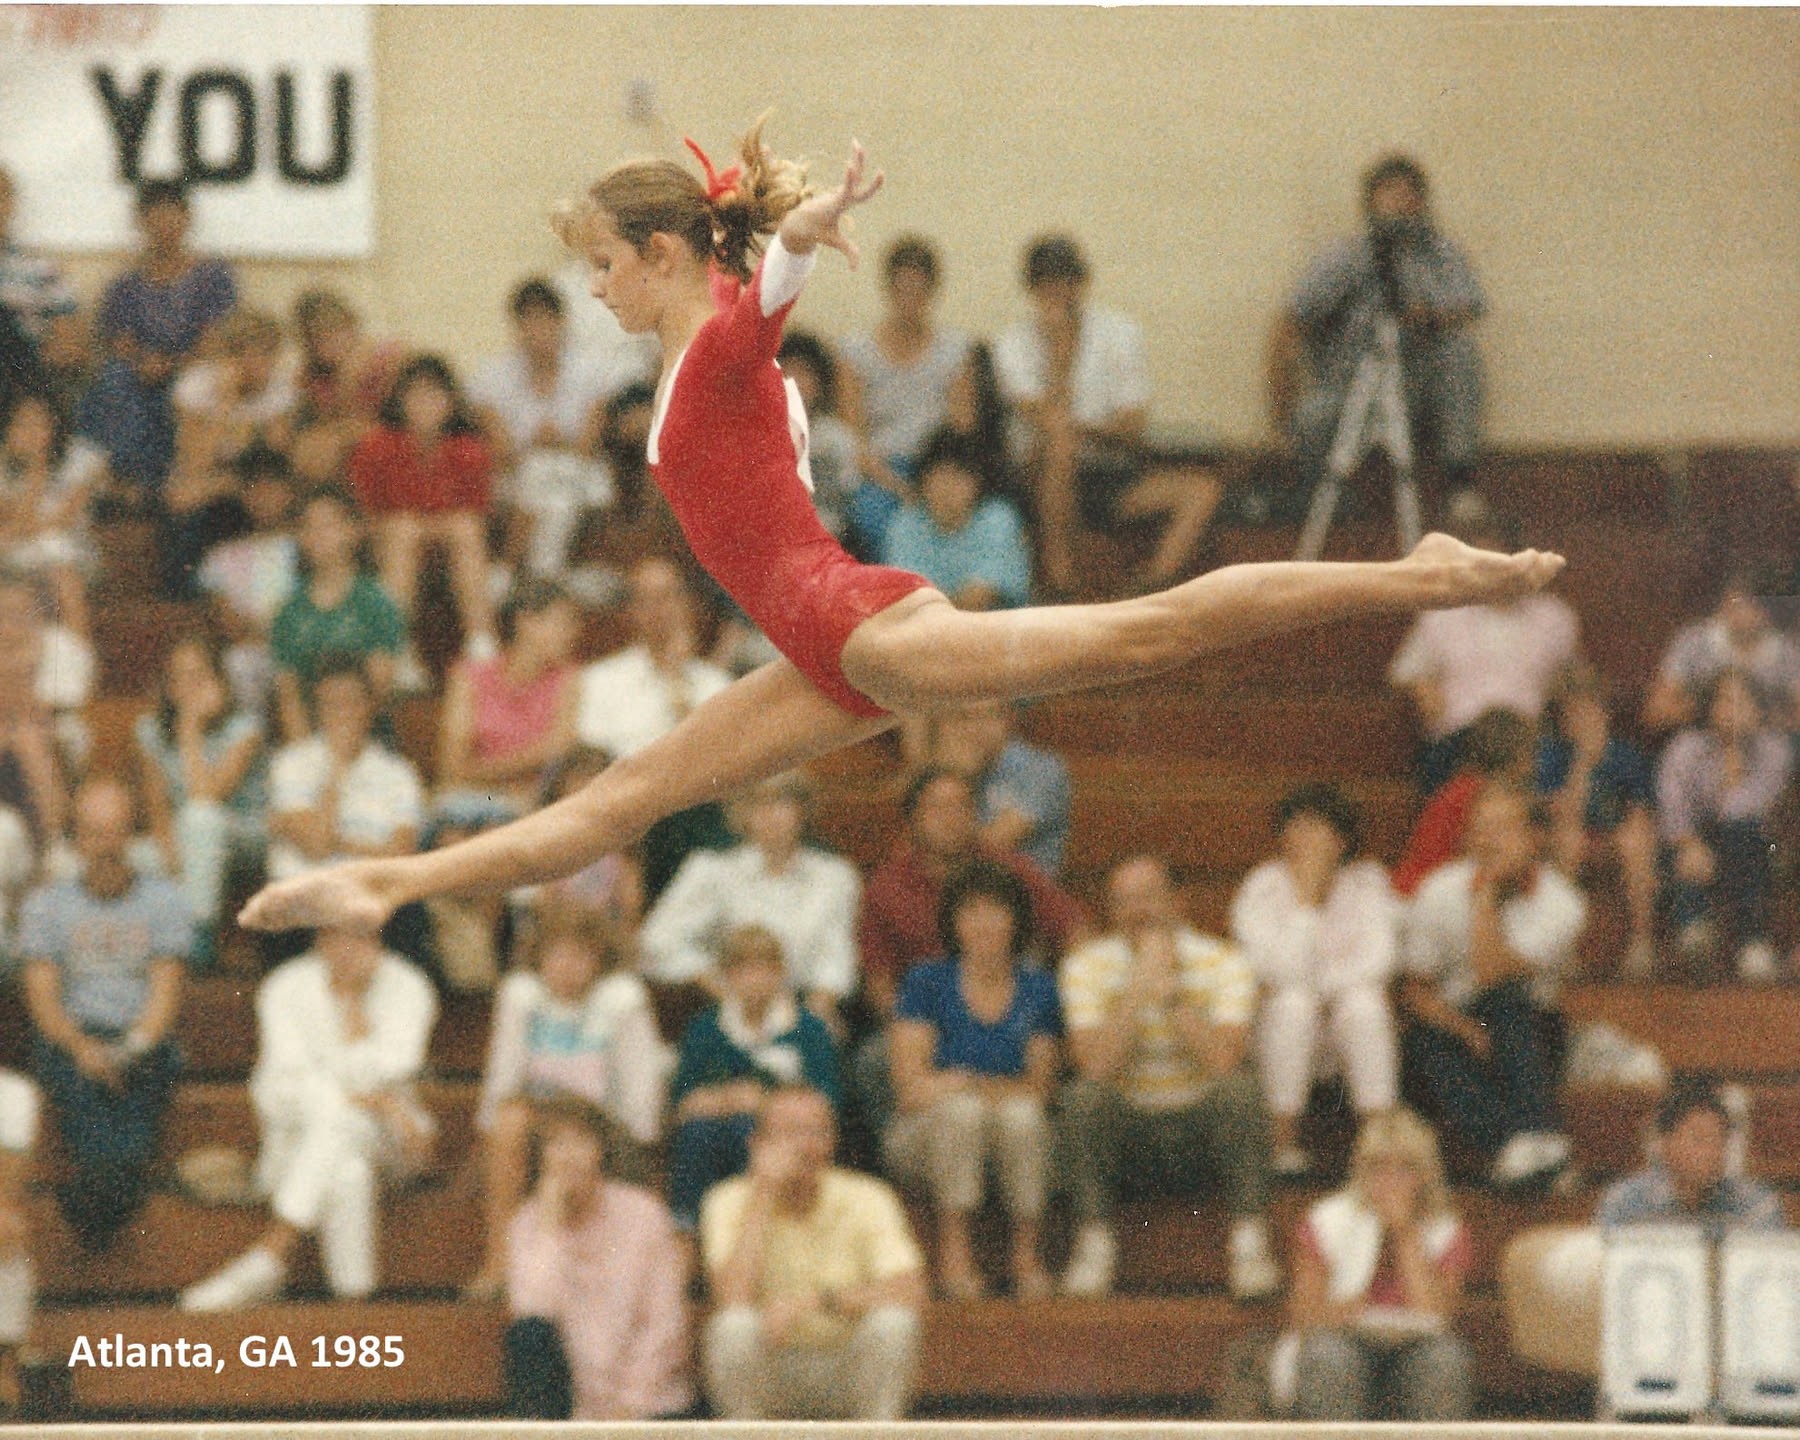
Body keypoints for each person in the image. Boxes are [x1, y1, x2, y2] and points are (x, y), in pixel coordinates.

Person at [233, 122, 1565, 974]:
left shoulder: (718, 346)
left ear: (662, 254)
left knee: (1150, 631)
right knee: (614, 806)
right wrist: (777, 250)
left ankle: (1421, 573)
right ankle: (384, 885)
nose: (593, 288)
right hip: (825, 651)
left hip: (860, 624)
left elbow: (757, 310)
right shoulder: (694, 355)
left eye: (602, 264)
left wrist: (799, 242)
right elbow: (747, 321)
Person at [180, 923, 437, 1310]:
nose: (349, 947)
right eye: (338, 935)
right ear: (320, 938)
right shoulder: (285, 986)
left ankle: (270, 1254)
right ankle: (354, 1307)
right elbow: (288, 1083)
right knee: (349, 1170)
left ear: (377, 937)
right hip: (296, 1142)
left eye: (360, 935)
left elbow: (397, 1066)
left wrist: (353, 1007)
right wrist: (375, 1100)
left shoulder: (408, 984)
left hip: (388, 1143)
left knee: (337, 1117)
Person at [1058, 855, 1280, 1302]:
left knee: (1241, 1092)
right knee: (1082, 1099)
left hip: (1201, 1132)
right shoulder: (1086, 965)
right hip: (1129, 1136)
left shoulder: (1224, 960)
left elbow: (1225, 1061)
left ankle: (1250, 1246)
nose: (1137, 911)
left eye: (1147, 897)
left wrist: (1171, 996)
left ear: (1177, 901)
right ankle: (1094, 1244)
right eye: (1123, 902)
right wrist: (1136, 993)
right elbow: (1094, 1068)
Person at [994, 233, 1219, 595]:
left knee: (1202, 490)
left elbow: (1133, 424)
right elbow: (1046, 419)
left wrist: (1085, 431)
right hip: (1038, 473)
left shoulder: (1119, 333)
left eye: (1065, 280)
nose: (1057, 292)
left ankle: (1152, 586)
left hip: (1106, 469)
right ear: (1032, 288)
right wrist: (1059, 353)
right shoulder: (1014, 343)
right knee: (1061, 445)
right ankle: (1062, 583)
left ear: (1079, 282)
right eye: (1046, 283)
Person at [18, 776, 188, 1249]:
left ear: (132, 836)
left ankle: (96, 1199)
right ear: (76, 840)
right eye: (94, 833)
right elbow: (44, 1002)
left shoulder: (164, 900)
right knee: (77, 1084)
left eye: (115, 832)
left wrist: (127, 1050)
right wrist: (83, 1047)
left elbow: (164, 996)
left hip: (141, 1038)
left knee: (150, 1073)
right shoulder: (46, 905)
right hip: (72, 1039)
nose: (106, 846)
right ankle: (114, 1186)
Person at [885, 859, 1060, 1300]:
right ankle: (955, 1255)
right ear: (953, 921)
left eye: (995, 910)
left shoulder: (1038, 988)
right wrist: (974, 1092)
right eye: (970, 911)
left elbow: (1039, 1091)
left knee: (1022, 1117)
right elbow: (911, 1090)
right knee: (962, 1113)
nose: (983, 923)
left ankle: (1026, 1256)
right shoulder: (926, 981)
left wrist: (966, 1083)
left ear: (1016, 920)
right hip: (926, 1133)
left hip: (1007, 1129)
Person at [469, 903, 665, 1297]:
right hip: (539, 1122)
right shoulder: (521, 996)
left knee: (574, 1141)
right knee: (508, 1121)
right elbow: (503, 1078)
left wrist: (636, 1146)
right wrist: (488, 1136)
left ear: (598, 960)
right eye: (555, 954)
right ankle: (500, 1261)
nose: (566, 966)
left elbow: (640, 1090)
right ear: (539, 958)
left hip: (602, 1122)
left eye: (579, 955)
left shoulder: (622, 999)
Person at [701, 1083, 926, 1420]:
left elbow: (911, 1291)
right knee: (733, 1328)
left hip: (845, 1365)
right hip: (771, 1364)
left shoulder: (868, 1196)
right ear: (758, 1144)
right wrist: (763, 1194)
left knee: (895, 1323)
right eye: (791, 1133)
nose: (806, 1146)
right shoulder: (726, 1200)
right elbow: (731, 1299)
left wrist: (816, 1302)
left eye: (817, 1132)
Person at [1399, 781, 1586, 1185]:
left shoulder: (1562, 903)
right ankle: (1524, 1143)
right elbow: (1414, 990)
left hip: (1530, 1027)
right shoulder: (1438, 890)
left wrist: (1484, 896)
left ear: (1533, 838)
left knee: (1507, 1002)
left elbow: (1492, 971)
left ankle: (1529, 1139)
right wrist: (1463, 1028)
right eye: (1480, 829)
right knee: (1424, 1044)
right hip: (1455, 1021)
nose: (1488, 841)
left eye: (1503, 828)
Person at [1287, 153, 1485, 511]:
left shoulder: (1439, 255)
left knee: (1460, 351)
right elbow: (1295, 318)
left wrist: (1425, 318)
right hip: (1351, 385)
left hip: (1412, 386)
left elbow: (1470, 306)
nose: (1400, 201)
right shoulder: (1346, 256)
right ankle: (1327, 501)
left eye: (1409, 193)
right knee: (1311, 417)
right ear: (1370, 200)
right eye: (1389, 191)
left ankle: (1460, 483)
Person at [1232, 784, 1401, 1180]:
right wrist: (1307, 901)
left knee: (1364, 1005)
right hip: (1278, 1024)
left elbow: (1379, 962)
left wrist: (1324, 992)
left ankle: (1381, 1146)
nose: (1301, 839)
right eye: (1293, 828)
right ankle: (1281, 1143)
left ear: (1341, 840)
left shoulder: (1368, 883)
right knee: (1293, 1005)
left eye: (1313, 828)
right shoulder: (1262, 886)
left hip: (1343, 1019)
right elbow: (1273, 971)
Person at [504, 1095, 693, 1420]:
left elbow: (665, 1324)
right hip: (569, 1412)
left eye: (581, 1141)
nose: (570, 1156)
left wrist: (628, 1406)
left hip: (646, 1406)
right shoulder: (528, 1223)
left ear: (600, 1150)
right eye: (556, 1143)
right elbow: (531, 1314)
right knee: (528, 1335)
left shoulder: (644, 1214)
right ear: (540, 1156)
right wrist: (550, 1227)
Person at [1281, 1107, 1474, 1421]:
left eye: (1405, 1168)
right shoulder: (1326, 1221)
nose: (1390, 1181)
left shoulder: (1446, 1230)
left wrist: (1404, 1232)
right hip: (1342, 1339)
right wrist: (1340, 1312)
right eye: (1379, 1168)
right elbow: (1302, 1315)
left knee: (1445, 1362)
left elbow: (1436, 1316)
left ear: (1425, 1175)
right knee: (1329, 1358)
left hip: (1416, 1347)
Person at [857, 766, 1086, 1022]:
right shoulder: (887, 887)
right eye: (937, 808)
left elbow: (1074, 931)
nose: (951, 818)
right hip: (922, 1016)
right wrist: (907, 1030)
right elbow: (879, 980)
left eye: (961, 806)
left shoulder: (1009, 868)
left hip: (1011, 1013)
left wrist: (1081, 1005)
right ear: (912, 819)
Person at [640, 769, 861, 1027]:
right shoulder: (712, 870)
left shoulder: (835, 876)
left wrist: (805, 1023)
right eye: (758, 804)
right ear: (742, 813)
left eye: (781, 802)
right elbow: (657, 941)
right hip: (727, 1013)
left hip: (807, 1012)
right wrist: (725, 992)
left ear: (802, 810)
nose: (771, 814)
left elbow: (836, 958)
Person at [1387, 502, 1579, 794]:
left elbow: (1573, 680)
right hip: (1462, 738)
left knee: (1559, 762)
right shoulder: (1442, 613)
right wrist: (1434, 707)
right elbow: (1408, 674)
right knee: (1438, 762)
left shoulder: (1554, 616)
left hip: (1529, 738)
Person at [575, 555, 735, 899]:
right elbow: (590, 764)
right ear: (630, 611)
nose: (658, 610)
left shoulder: (714, 683)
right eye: (645, 599)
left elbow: (721, 766)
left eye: (667, 597)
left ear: (687, 604)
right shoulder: (600, 680)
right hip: (624, 812)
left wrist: (677, 684)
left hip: (693, 810)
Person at [667, 923, 843, 1234]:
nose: (754, 980)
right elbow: (683, 1098)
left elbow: (827, 1096)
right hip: (715, 1127)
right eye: (743, 970)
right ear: (726, 976)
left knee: (748, 1130)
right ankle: (689, 1227)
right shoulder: (705, 1028)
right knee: (698, 1134)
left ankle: (757, 1224)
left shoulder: (808, 1028)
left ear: (780, 973)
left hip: (786, 1133)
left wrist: (766, 1102)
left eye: (764, 969)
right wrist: (726, 1098)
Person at [76, 179, 237, 499]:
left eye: (171, 214)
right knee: (114, 379)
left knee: (188, 389)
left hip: (193, 368)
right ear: (141, 222)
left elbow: (216, 339)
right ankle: (125, 487)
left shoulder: (214, 277)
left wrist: (172, 364)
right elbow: (119, 341)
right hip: (140, 371)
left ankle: (159, 489)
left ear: (187, 218)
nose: (164, 225)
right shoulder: (125, 285)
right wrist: (144, 362)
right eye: (154, 216)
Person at [348, 354, 498, 678]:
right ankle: (398, 648)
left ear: (451, 401)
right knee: (403, 531)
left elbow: (476, 515)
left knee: (464, 529)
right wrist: (411, 528)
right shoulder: (376, 447)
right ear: (399, 401)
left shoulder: (469, 448)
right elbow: (367, 515)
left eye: (434, 395)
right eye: (416, 395)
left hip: (451, 556)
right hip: (389, 550)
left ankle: (481, 641)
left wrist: (424, 527)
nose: (425, 404)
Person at [470, 277, 616, 584]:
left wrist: (555, 443)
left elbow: (588, 447)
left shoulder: (591, 371)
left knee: (555, 486)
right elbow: (503, 453)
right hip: (519, 474)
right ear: (517, 327)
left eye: (546, 320)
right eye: (529, 321)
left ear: (561, 322)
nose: (538, 331)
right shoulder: (492, 377)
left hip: (577, 470)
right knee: (546, 485)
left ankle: (510, 570)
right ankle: (549, 577)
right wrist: (539, 446)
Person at [134, 633, 268, 965]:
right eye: (178, 677)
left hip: (242, 835)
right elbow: (158, 810)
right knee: (133, 857)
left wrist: (189, 727)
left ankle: (199, 933)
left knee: (201, 818)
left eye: (198, 675)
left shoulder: (245, 727)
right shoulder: (149, 731)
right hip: (187, 841)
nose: (188, 686)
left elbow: (208, 796)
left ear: (219, 680)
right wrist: (174, 861)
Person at [1657, 668, 1792, 981]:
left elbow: (1747, 811)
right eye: (1725, 700)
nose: (1732, 710)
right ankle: (1695, 933)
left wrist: (1734, 755)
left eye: (1742, 702)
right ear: (1710, 707)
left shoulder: (1775, 750)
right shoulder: (1685, 748)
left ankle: (1751, 941)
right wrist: (1689, 844)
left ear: (1757, 710)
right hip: (1694, 842)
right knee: (1687, 850)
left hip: (1761, 842)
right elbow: (1672, 811)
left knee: (1742, 834)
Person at [839, 235, 972, 551]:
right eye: (902, 288)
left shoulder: (954, 351)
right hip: (880, 470)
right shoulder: (856, 352)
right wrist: (899, 487)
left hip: (937, 468)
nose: (910, 297)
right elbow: (853, 439)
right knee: (874, 518)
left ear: (932, 290)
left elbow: (962, 431)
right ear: (888, 288)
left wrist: (935, 485)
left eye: (919, 288)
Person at [1536, 662, 1658, 978]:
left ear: (1604, 714)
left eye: (1589, 711)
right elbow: (1561, 814)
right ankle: (1563, 946)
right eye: (1572, 714)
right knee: (1569, 840)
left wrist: (1627, 831)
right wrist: (1583, 765)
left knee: (1636, 841)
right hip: (1570, 830)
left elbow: (1640, 812)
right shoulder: (1553, 755)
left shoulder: (1626, 755)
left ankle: (1641, 941)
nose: (1582, 721)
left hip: (1616, 832)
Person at [269, 483, 407, 741]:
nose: (318, 535)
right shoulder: (288, 611)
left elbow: (379, 687)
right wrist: (307, 754)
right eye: (309, 526)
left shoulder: (376, 602)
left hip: (367, 737)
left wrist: (345, 748)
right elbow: (289, 694)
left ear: (353, 531)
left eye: (328, 525)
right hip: (310, 737)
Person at [435, 577, 582, 819]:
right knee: (461, 809)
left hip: (536, 801)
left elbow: (558, 747)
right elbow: (451, 766)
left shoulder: (568, 679)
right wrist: (515, 773)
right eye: (562, 623)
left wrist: (478, 771)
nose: (572, 634)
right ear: (526, 622)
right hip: (478, 796)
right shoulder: (468, 677)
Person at [1596, 1076, 1783, 1235]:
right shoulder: (1626, 1204)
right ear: (1664, 1144)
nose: (1712, 1152)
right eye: (1699, 1139)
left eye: (1720, 1140)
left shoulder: (1755, 1205)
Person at [881, 429, 1032, 609]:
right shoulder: (906, 523)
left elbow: (980, 598)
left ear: (977, 483)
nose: (948, 488)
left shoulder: (997, 519)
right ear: (923, 481)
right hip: (928, 621)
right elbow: (907, 597)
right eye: (940, 476)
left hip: (993, 621)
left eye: (959, 478)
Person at [1642, 564, 1800, 736]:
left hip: (1765, 742)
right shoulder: (1694, 643)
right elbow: (1656, 711)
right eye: (1734, 600)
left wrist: (1756, 717)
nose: (1739, 610)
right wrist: (1712, 713)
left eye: (1750, 604)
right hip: (1702, 738)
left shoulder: (1786, 652)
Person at [926, 697, 1072, 878]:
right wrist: (954, 774)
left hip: (1022, 889)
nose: (974, 729)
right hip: (957, 886)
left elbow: (989, 847)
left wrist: (960, 776)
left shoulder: (1042, 770)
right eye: (964, 717)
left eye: (986, 716)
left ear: (1008, 718)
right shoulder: (954, 768)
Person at [0, 389, 103, 640]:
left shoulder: (82, 459)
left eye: (40, 423)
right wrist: (33, 471)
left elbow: (63, 520)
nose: (32, 433)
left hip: (69, 549)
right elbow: (16, 523)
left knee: (62, 576)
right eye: (23, 424)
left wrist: (40, 466)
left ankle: (80, 654)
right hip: (15, 553)